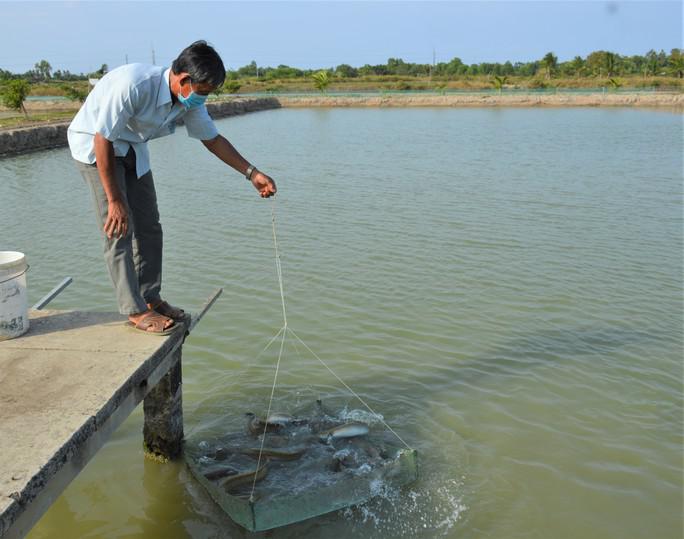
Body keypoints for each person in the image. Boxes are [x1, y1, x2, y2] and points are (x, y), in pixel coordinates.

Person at [68, 41, 276, 335]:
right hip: (95, 147)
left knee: (150, 226)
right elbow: (102, 139)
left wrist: (251, 173)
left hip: (132, 148)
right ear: (183, 79)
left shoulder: (188, 100)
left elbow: (212, 139)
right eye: (202, 91)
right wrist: (114, 199)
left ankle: (150, 297)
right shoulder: (134, 85)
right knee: (118, 226)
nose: (203, 98)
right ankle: (134, 309)